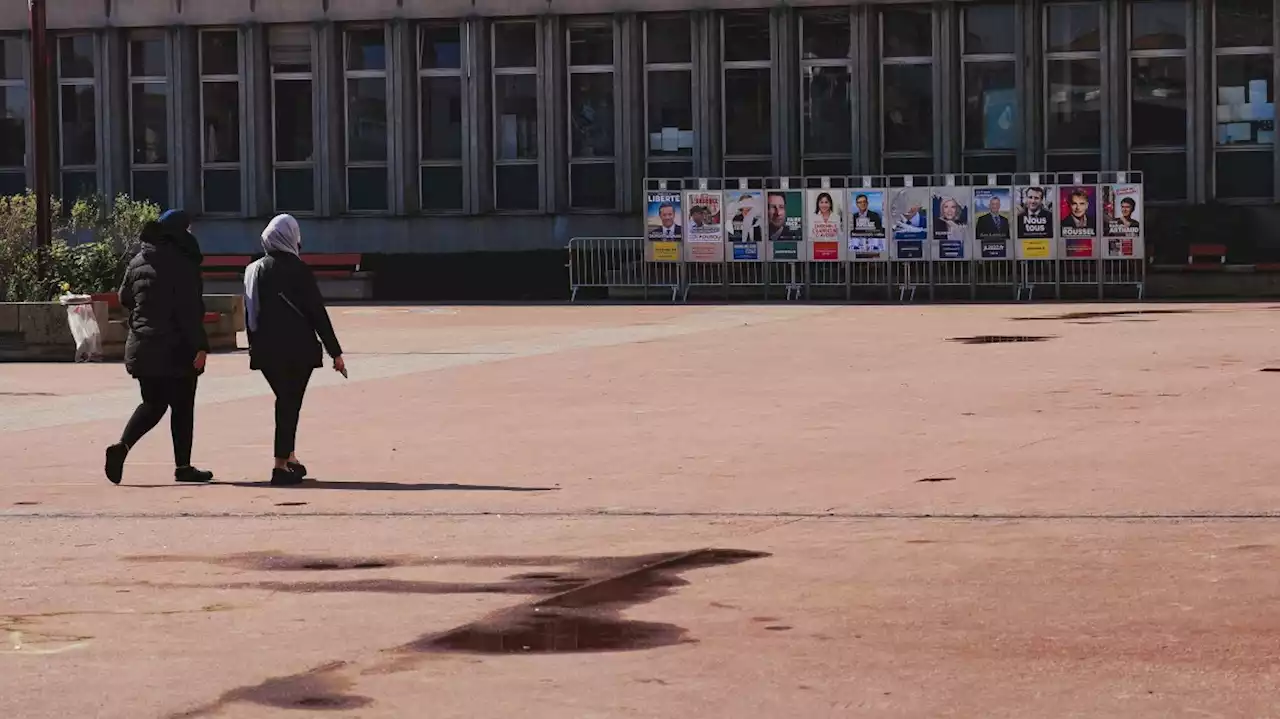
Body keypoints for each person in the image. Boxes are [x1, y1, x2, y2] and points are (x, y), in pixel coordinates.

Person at [105, 209, 214, 485]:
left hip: (142, 344)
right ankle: (183, 466)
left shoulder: (138, 260)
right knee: (182, 406)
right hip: (177, 347)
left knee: (153, 404)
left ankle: (123, 446)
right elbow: (190, 311)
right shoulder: (183, 264)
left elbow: (124, 297)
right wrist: (201, 347)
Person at [243, 214, 346, 486]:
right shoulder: (299, 270)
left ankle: (289, 459)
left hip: (266, 351)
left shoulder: (255, 269)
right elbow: (316, 313)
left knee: (287, 402)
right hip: (298, 350)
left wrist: (254, 348)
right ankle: (280, 465)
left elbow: (250, 314)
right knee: (289, 404)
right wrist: (335, 351)